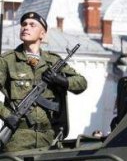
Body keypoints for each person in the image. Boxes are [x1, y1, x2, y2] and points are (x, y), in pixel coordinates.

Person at [0, 12, 87, 152]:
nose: (26, 27)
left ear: (42, 34)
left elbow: (82, 83)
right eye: (23, 24)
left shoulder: (52, 61)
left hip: (48, 138)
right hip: (17, 137)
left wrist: (59, 80)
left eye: (32, 25)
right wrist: (7, 116)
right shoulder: (7, 60)